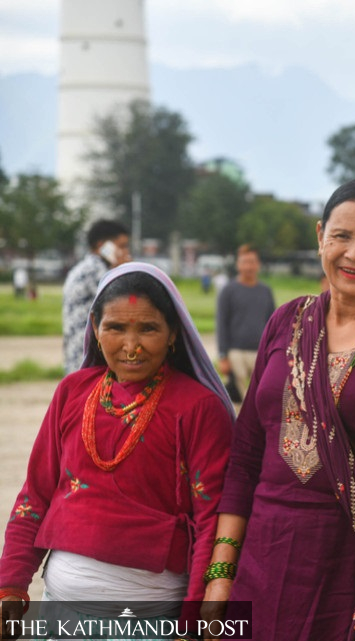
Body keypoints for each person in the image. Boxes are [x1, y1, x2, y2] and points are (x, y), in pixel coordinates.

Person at [204, 179, 355, 641]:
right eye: (341, 236)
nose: (354, 254)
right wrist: (221, 573)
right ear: (320, 236)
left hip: (353, 574)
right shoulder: (286, 320)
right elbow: (244, 459)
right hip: (262, 561)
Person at [0, 262, 234, 636]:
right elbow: (35, 494)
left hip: (154, 623)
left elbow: (211, 520)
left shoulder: (197, 408)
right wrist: (10, 586)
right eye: (115, 328)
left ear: (173, 333)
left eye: (149, 328)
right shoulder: (72, 392)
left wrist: (192, 621)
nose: (131, 346)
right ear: (94, 328)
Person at [62, 219, 132, 373]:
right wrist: (123, 269)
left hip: (78, 350)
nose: (126, 252)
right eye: (121, 246)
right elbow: (125, 300)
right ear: (103, 246)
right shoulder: (95, 270)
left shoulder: (86, 266)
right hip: (86, 352)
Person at [215, 245, 276, 401]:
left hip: (260, 353)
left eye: (252, 262)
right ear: (238, 264)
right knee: (239, 399)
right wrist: (223, 356)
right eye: (245, 262)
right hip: (236, 353)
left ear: (258, 264)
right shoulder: (228, 290)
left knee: (259, 397)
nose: (248, 266)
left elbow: (272, 324)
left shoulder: (265, 291)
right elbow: (221, 323)